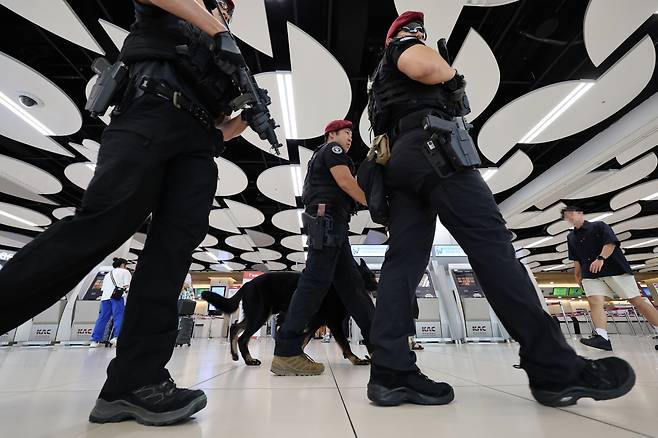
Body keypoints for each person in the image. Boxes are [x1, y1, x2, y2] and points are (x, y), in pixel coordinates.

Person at [0, 0, 261, 426]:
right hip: (149, 111)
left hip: (196, 146)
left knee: (172, 255)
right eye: (223, 5)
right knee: (102, 226)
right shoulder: (193, 16)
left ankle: (134, 383)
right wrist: (217, 31)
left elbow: (216, 130)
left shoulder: (216, 51)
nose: (227, 12)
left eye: (230, 11)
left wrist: (242, 121)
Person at [365, 10, 635, 407]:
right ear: (404, 33)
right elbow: (423, 67)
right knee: (492, 248)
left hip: (400, 162)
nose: (420, 34)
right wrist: (449, 72)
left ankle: (390, 372)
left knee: (403, 262)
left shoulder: (380, 82)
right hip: (433, 147)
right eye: (415, 30)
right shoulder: (406, 46)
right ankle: (555, 370)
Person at [270, 120, 374, 376]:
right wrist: (376, 206)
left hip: (335, 226)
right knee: (314, 283)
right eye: (345, 133)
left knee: (353, 287)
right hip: (327, 224)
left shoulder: (323, 156)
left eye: (351, 133)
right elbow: (346, 182)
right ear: (331, 135)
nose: (350, 138)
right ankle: (286, 350)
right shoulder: (332, 150)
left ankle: (381, 346)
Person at [564, 205, 658, 351]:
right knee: (594, 302)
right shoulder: (570, 237)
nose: (569, 217)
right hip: (590, 273)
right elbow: (576, 258)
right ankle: (602, 338)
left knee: (636, 300)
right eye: (566, 215)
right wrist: (578, 276)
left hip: (613, 269)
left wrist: (601, 258)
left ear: (580, 213)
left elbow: (610, 243)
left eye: (571, 213)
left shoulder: (599, 226)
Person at [90, 258, 132, 348]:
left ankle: (94, 340)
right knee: (118, 317)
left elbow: (103, 288)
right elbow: (127, 287)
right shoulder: (125, 272)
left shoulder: (108, 274)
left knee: (102, 318)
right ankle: (117, 338)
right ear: (122, 264)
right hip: (118, 297)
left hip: (105, 298)